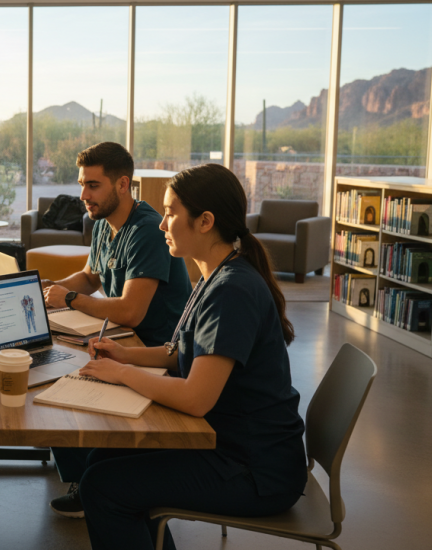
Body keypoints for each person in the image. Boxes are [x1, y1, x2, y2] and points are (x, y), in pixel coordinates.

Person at [73, 163, 307, 550]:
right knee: (99, 460)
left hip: (254, 468)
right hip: (230, 445)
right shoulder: (215, 275)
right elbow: (181, 353)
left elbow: (196, 398)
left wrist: (120, 373)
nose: (162, 224)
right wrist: (125, 357)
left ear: (204, 222)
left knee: (103, 488)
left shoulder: (231, 291)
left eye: (169, 213)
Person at [42, 142, 192, 517]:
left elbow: (131, 311)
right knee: (54, 366)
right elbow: (91, 276)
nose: (83, 195)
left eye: (93, 185)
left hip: (153, 347)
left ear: (122, 184)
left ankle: (90, 482)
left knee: (64, 374)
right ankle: (84, 474)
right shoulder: (103, 224)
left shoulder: (146, 230)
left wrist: (71, 300)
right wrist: (52, 291)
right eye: (82, 184)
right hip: (121, 336)